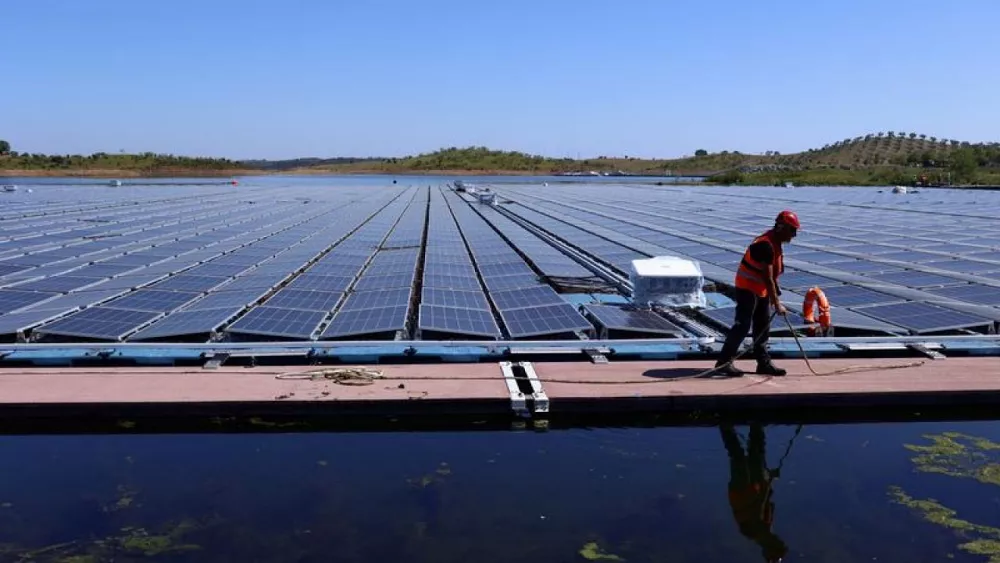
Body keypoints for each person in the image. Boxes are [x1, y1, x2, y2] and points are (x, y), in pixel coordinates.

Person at [713, 210, 800, 377]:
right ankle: (723, 363)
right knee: (743, 325)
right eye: (792, 230)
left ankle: (763, 363)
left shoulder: (775, 243)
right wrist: (777, 303)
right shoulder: (765, 244)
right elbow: (767, 277)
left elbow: (772, 276)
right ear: (781, 227)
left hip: (760, 290)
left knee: (762, 326)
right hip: (747, 288)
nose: (794, 235)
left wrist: (775, 294)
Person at [720, 422, 789, 563]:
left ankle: (726, 425)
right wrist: (770, 478)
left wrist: (767, 482)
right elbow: (767, 498)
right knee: (757, 452)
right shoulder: (766, 528)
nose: (778, 539)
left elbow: (758, 506)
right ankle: (756, 424)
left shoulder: (754, 532)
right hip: (756, 487)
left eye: (776, 543)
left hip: (742, 491)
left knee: (738, 457)